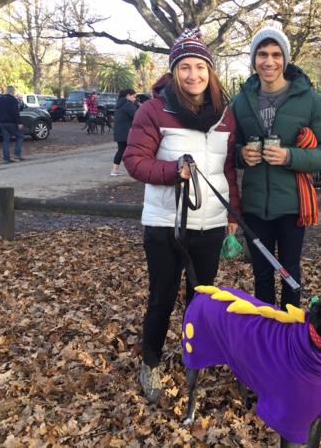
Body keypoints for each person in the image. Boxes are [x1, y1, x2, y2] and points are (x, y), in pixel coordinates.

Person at [123, 27, 241, 403]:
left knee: (201, 299)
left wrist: (231, 212)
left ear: (210, 70)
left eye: (200, 67)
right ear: (175, 71)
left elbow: (226, 169)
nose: (193, 75)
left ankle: (195, 357)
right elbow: (134, 161)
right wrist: (174, 171)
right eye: (185, 67)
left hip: (210, 224)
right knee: (161, 297)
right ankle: (151, 364)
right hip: (165, 224)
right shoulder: (154, 110)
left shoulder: (226, 114)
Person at [232, 27, 321, 310]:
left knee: (290, 274)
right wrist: (241, 155)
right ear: (254, 59)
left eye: (276, 55)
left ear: (286, 59)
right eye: (262, 54)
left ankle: (290, 339)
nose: (269, 62)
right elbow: (228, 148)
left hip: (292, 205)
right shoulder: (241, 100)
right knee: (261, 276)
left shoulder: (311, 100)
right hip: (254, 205)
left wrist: (290, 157)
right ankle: (265, 337)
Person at [111, 88, 137, 176]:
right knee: (131, 151)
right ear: (128, 95)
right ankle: (134, 169)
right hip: (127, 133)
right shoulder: (128, 105)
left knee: (121, 150)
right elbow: (137, 116)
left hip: (119, 132)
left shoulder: (119, 104)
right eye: (134, 96)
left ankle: (114, 170)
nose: (135, 98)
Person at [0, 86, 25, 163]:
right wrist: (19, 123)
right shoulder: (13, 100)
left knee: (6, 140)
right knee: (20, 136)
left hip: (2, 123)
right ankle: (17, 155)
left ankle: (6, 158)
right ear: (12, 92)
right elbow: (15, 112)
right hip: (11, 122)